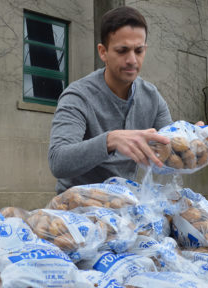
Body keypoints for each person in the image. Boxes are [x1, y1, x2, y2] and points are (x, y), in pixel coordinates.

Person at [48, 6, 173, 194]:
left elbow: (169, 149)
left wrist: (193, 140)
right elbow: (58, 161)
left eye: (139, 51)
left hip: (124, 205)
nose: (132, 60)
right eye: (122, 51)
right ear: (103, 52)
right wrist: (110, 140)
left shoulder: (151, 97)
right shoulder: (78, 96)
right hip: (77, 207)